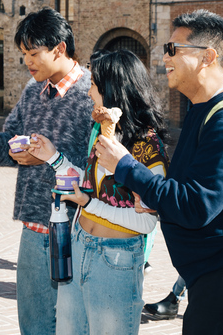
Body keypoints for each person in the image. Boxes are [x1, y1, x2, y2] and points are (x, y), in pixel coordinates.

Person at [96, 9, 223, 335]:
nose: (164, 57)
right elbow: (193, 189)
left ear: (207, 56)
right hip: (214, 274)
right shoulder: (205, 109)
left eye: (172, 49)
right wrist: (155, 200)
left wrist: (125, 166)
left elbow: (196, 205)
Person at [0, 8, 95, 335]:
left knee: (75, 325)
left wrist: (50, 159)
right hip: (34, 228)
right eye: (24, 54)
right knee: (34, 325)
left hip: (81, 228)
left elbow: (104, 170)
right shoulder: (32, 91)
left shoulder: (93, 94)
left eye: (34, 53)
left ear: (60, 49)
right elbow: (10, 144)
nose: (28, 61)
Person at [28, 49, 170, 335]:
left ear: (114, 90)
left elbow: (146, 222)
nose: (89, 92)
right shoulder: (104, 131)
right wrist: (54, 158)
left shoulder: (147, 147)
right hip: (79, 242)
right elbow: (95, 187)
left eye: (94, 85)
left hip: (115, 259)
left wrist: (87, 204)